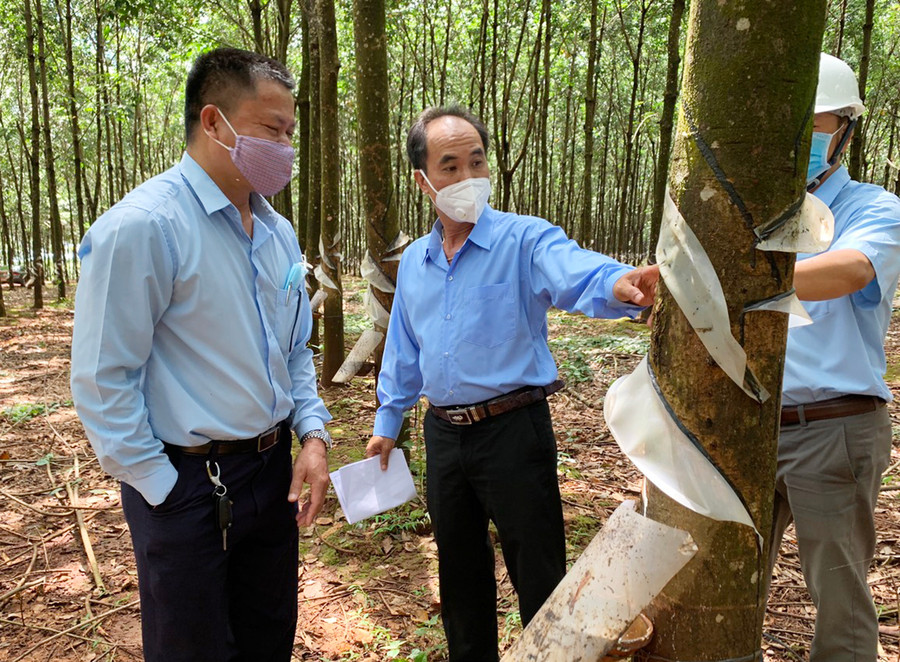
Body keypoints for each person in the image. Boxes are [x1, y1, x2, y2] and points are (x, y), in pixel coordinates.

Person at [365, 105, 659, 662]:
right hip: (444, 436)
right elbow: (404, 349)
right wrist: (388, 421)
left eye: (476, 162)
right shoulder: (416, 263)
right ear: (422, 180)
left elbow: (576, 271)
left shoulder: (524, 241)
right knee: (459, 571)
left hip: (514, 432)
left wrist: (622, 283)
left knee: (539, 570)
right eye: (449, 166)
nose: (467, 178)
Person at [70, 48, 333, 662]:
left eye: (291, 132)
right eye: (273, 129)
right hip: (187, 482)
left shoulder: (276, 232)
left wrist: (313, 438)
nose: (286, 147)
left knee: (268, 637)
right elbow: (103, 379)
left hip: (270, 479)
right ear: (214, 122)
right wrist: (162, 489)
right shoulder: (143, 227)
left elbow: (293, 350)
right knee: (192, 648)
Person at [769, 52, 900, 662]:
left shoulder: (875, 209)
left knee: (839, 600)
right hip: (750, 426)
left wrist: (746, 274)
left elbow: (850, 270)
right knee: (722, 577)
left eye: (815, 124)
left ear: (846, 127)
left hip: (835, 425)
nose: (803, 140)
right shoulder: (759, 211)